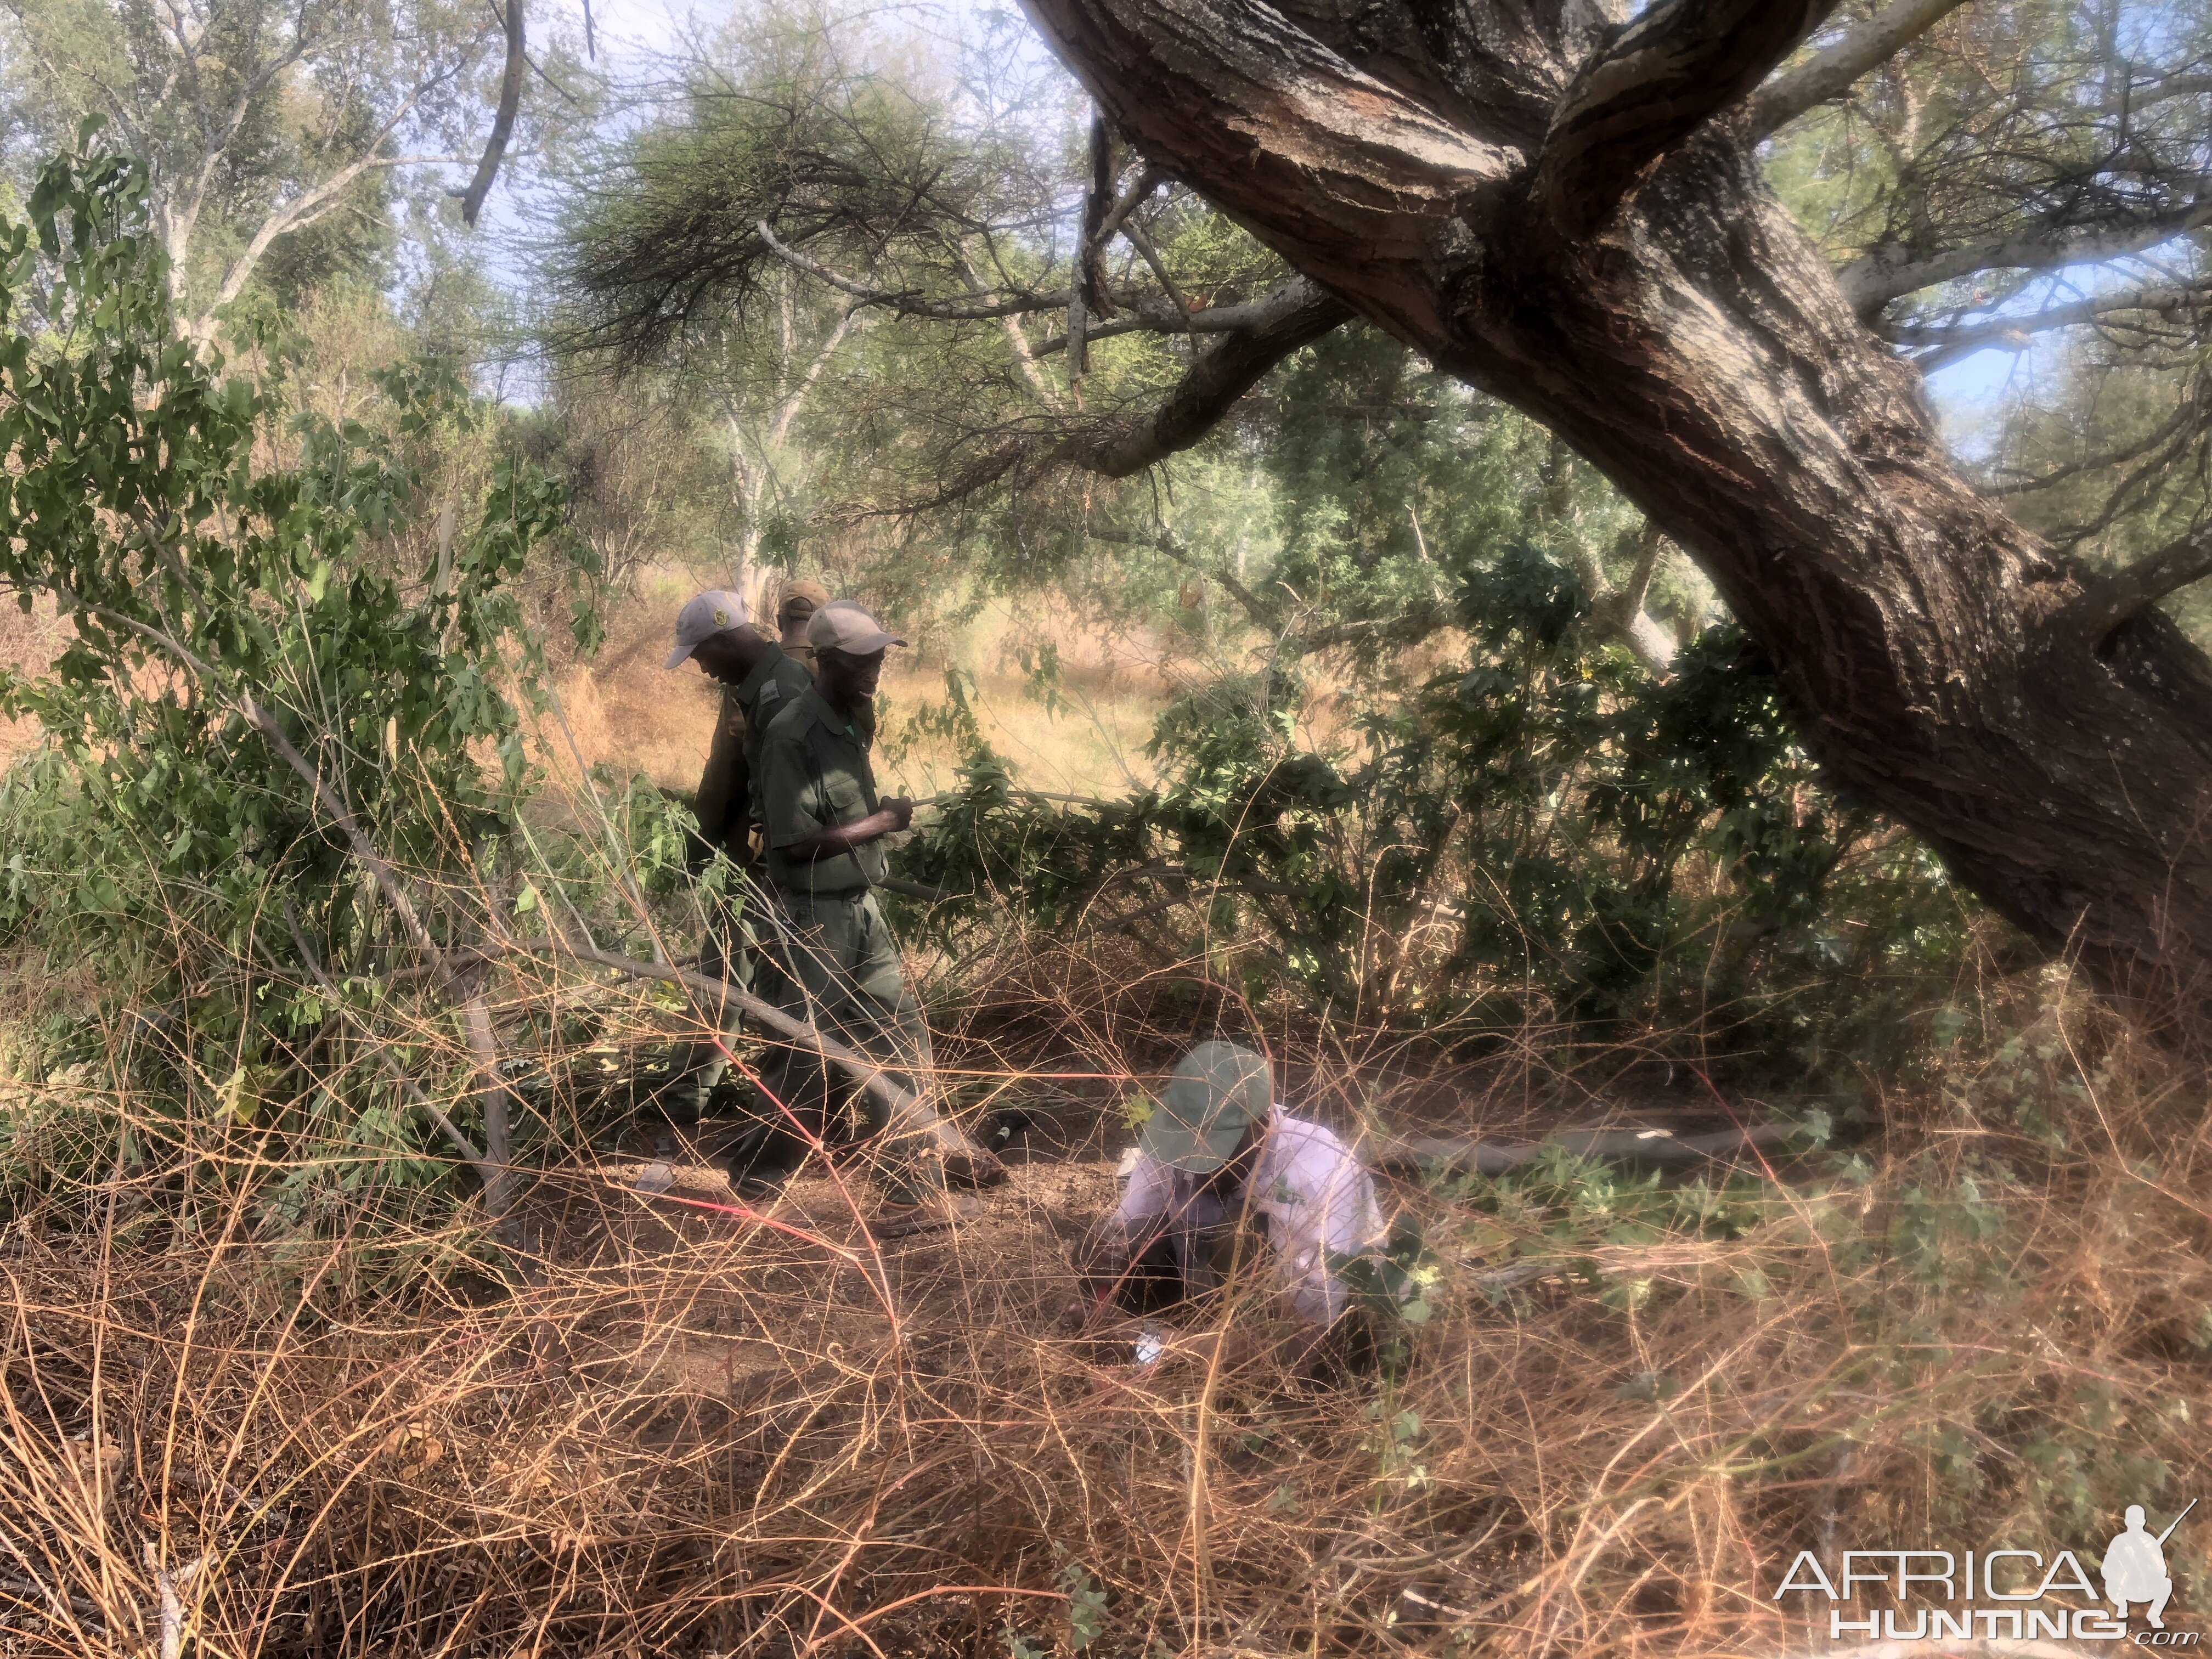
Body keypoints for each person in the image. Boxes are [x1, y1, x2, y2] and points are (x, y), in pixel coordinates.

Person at [751, 599, 995, 1229]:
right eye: (863, 660)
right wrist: (881, 822)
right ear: (827, 661)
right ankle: (756, 1176)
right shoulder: (789, 735)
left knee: (901, 1042)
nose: (876, 669)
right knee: (804, 1055)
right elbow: (792, 843)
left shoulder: (855, 715)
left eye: (880, 658)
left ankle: (907, 1194)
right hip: (813, 917)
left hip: (863, 910)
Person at [1077, 1040, 1385, 1370]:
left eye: (1209, 1149)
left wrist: (1184, 1352)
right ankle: (1169, 1342)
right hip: (1212, 1290)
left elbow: (1308, 1328)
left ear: (1261, 1125)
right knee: (1098, 1253)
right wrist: (1106, 1292)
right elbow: (1128, 1226)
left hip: (1318, 1319)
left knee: (1239, 1230)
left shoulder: (1315, 1173)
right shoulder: (1173, 1142)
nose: (1193, 1163)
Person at [654, 589, 820, 1151]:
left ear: (727, 640)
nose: (701, 668)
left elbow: (775, 790)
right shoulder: (762, 685)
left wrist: (701, 851)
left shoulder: (781, 692)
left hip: (771, 874)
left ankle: (769, 1125)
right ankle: (695, 1102)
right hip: (759, 867)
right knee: (738, 984)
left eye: (702, 655)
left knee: (757, 991)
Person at [2104, 1505, 2175, 1628]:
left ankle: (2150, 1614)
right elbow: (2163, 1572)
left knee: (2167, 1583)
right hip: (2129, 1590)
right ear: (2143, 1522)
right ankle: (2125, 1607)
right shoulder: (2144, 1541)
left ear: (2127, 1522)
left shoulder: (2146, 1542)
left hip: (2141, 1590)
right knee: (2167, 1583)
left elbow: (2106, 1570)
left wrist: (2145, 1564)